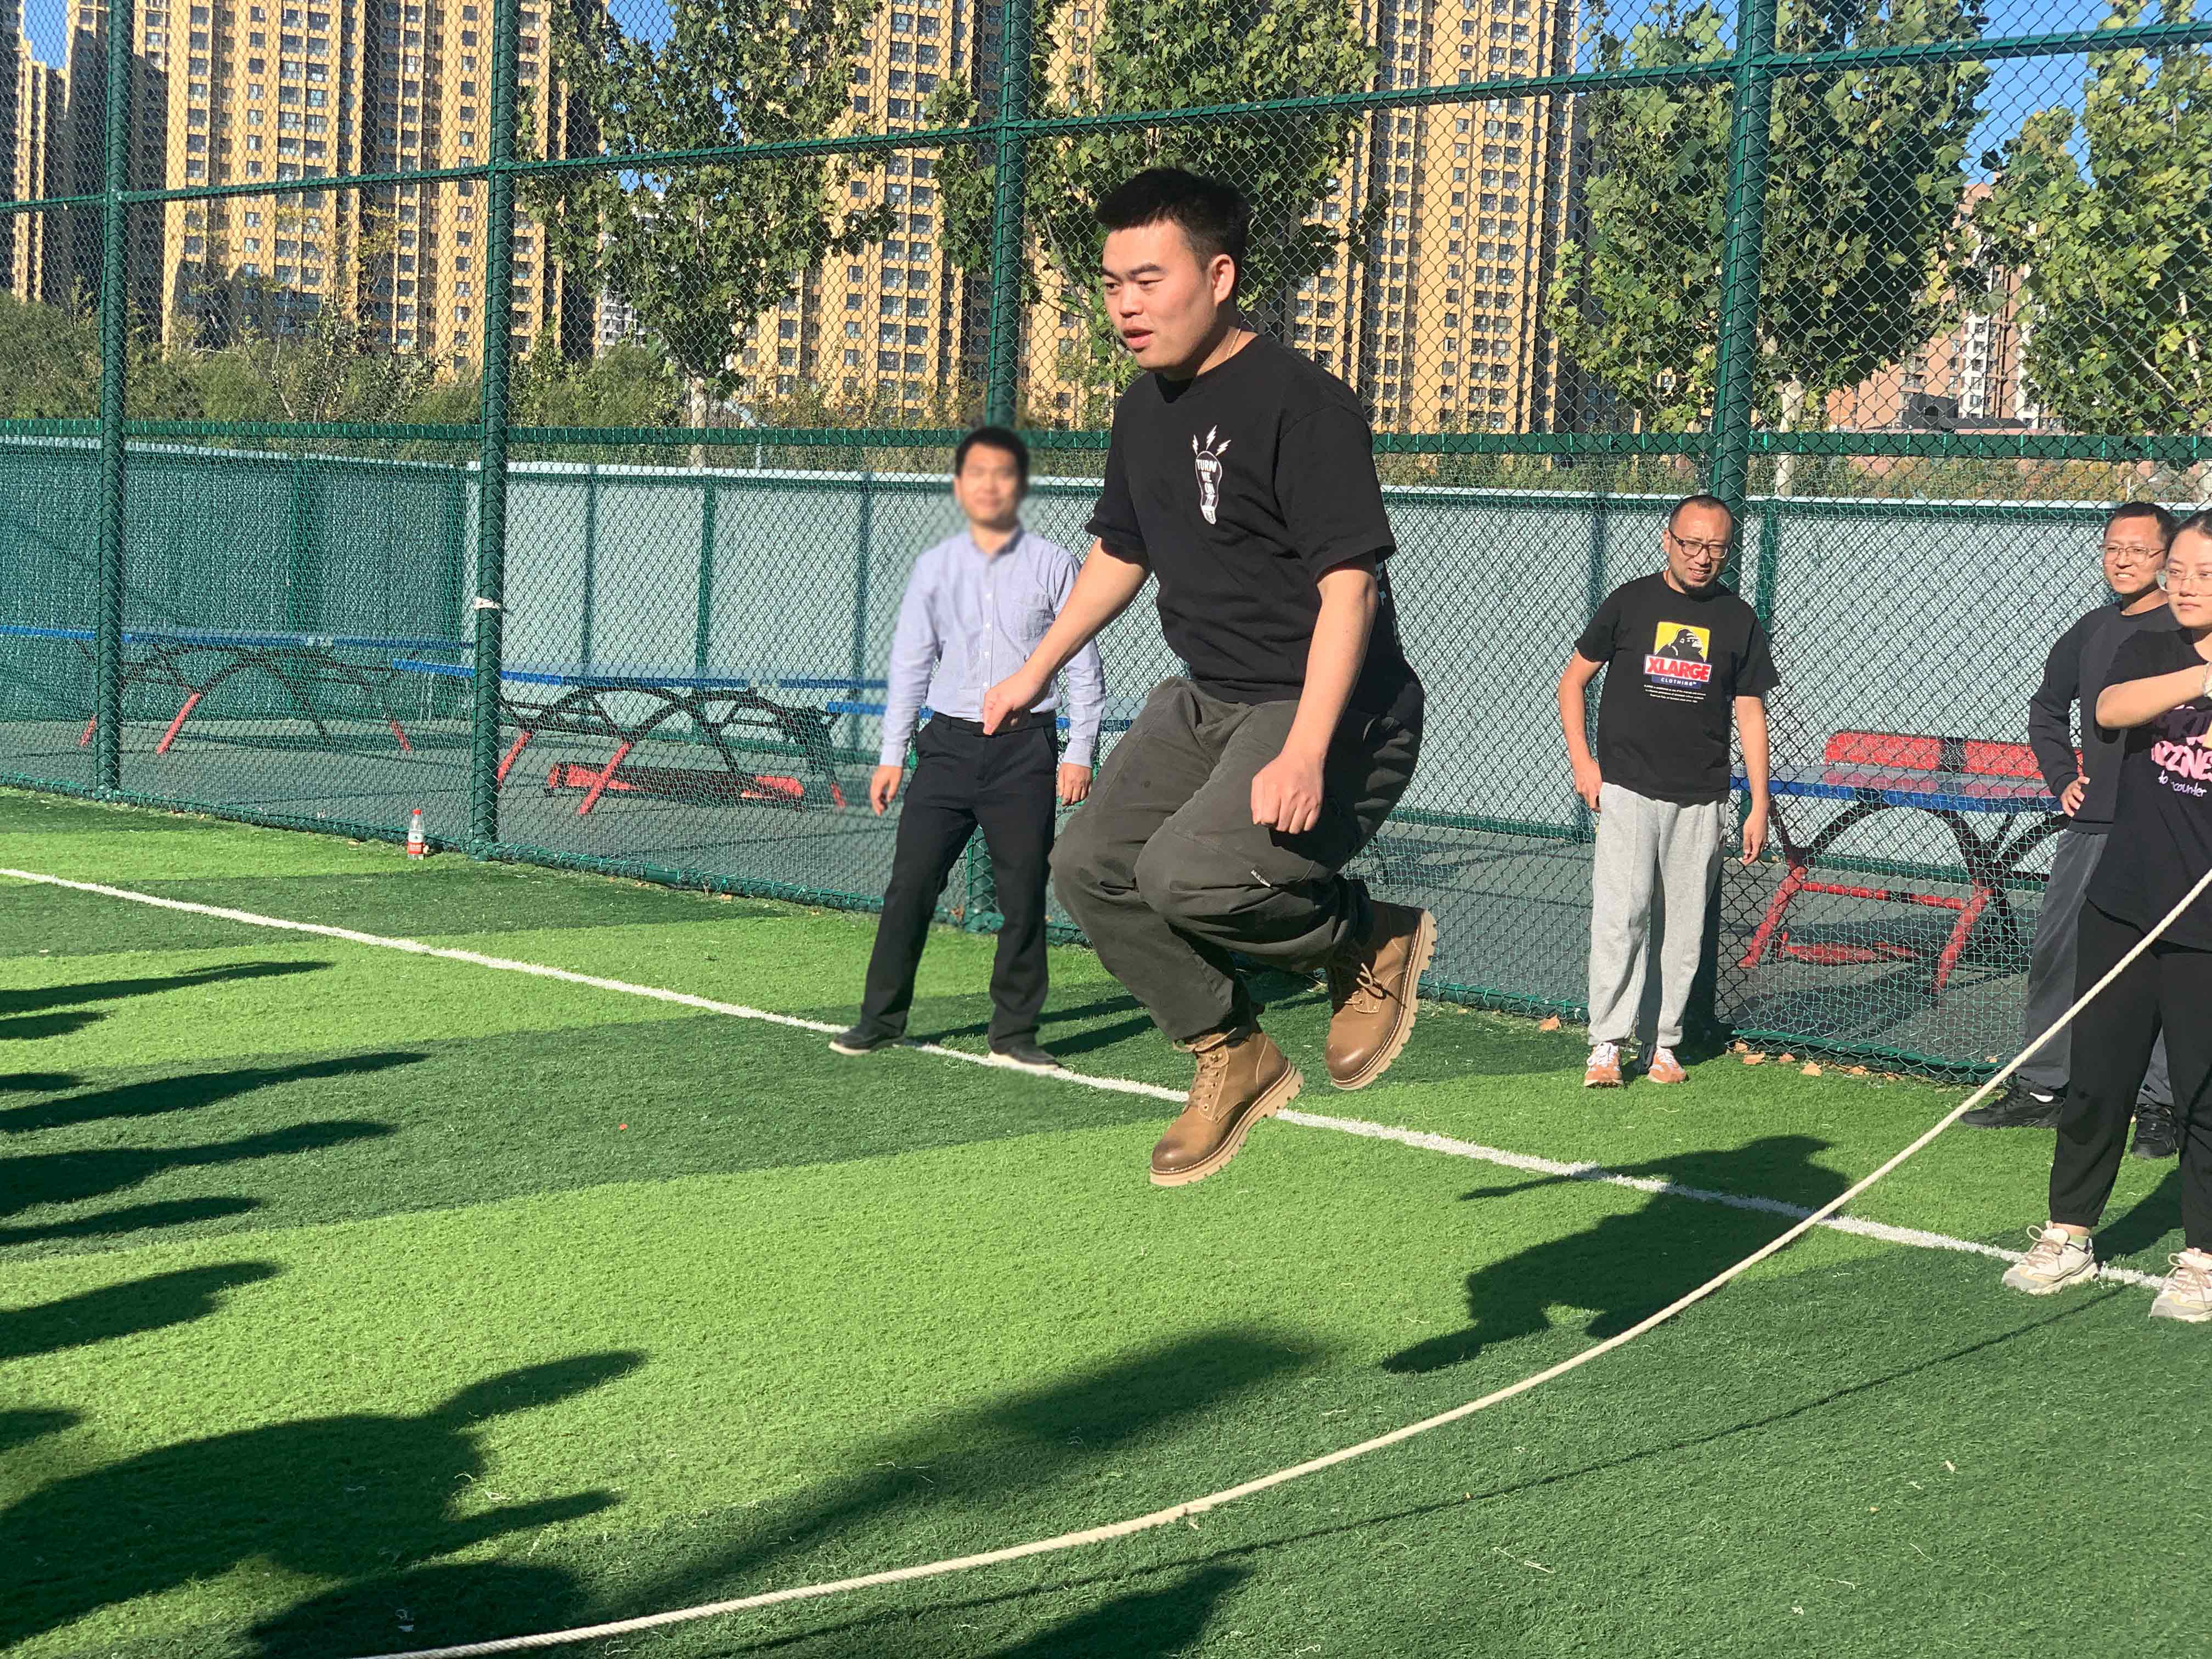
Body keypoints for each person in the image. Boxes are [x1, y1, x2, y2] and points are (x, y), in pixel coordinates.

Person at [977, 167, 1432, 1188]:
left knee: (1188, 874)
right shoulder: (1142, 410)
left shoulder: (1303, 405)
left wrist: (1307, 750)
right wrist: (1033, 670)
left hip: (1333, 704)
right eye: (1111, 285)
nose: (1125, 306)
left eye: (1149, 280)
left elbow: (1350, 590)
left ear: (1219, 277)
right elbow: (1120, 552)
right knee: (1088, 865)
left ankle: (1365, 936)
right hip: (1208, 696)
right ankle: (1232, 1049)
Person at [830, 426, 1105, 1070]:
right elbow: (911, 664)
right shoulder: (936, 570)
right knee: (910, 886)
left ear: (1020, 486)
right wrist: (891, 755)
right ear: (959, 487)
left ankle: (1014, 1034)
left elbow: (1083, 664)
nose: (989, 485)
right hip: (946, 750)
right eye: (976, 473)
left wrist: (1080, 750)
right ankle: (881, 1019)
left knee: (1023, 895)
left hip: (1025, 753)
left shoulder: (1055, 565)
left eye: (1003, 473)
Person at [2001, 511, 2212, 1323]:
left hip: (2203, 923)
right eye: (2179, 569)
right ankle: (2069, 1232)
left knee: (2200, 1086)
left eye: (2204, 574)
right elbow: (2113, 709)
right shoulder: (2148, 646)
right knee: (2097, 1079)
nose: (2185, 585)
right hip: (2123, 903)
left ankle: (2202, 1256)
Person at [1966, 504, 2179, 1146]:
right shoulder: (2093, 630)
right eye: (2113, 548)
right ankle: (2041, 1086)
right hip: (2095, 826)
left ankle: (2162, 1106)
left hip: (2172, 829)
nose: (2122, 561)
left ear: (2168, 558)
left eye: (2139, 550)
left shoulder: (2190, 633)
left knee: (2167, 960)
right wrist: (2063, 777)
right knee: (2060, 951)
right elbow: (2047, 710)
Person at [1558, 495, 1777, 1088]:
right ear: (1668, 540)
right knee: (1622, 917)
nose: (1703, 558)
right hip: (1627, 788)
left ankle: (1663, 1045)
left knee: (1682, 930)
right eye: (1692, 544)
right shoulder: (1630, 602)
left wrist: (1759, 802)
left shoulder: (1738, 619)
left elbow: (1750, 712)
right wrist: (1584, 763)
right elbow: (1572, 682)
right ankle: (1607, 1044)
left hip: (1703, 796)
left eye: (1717, 549)